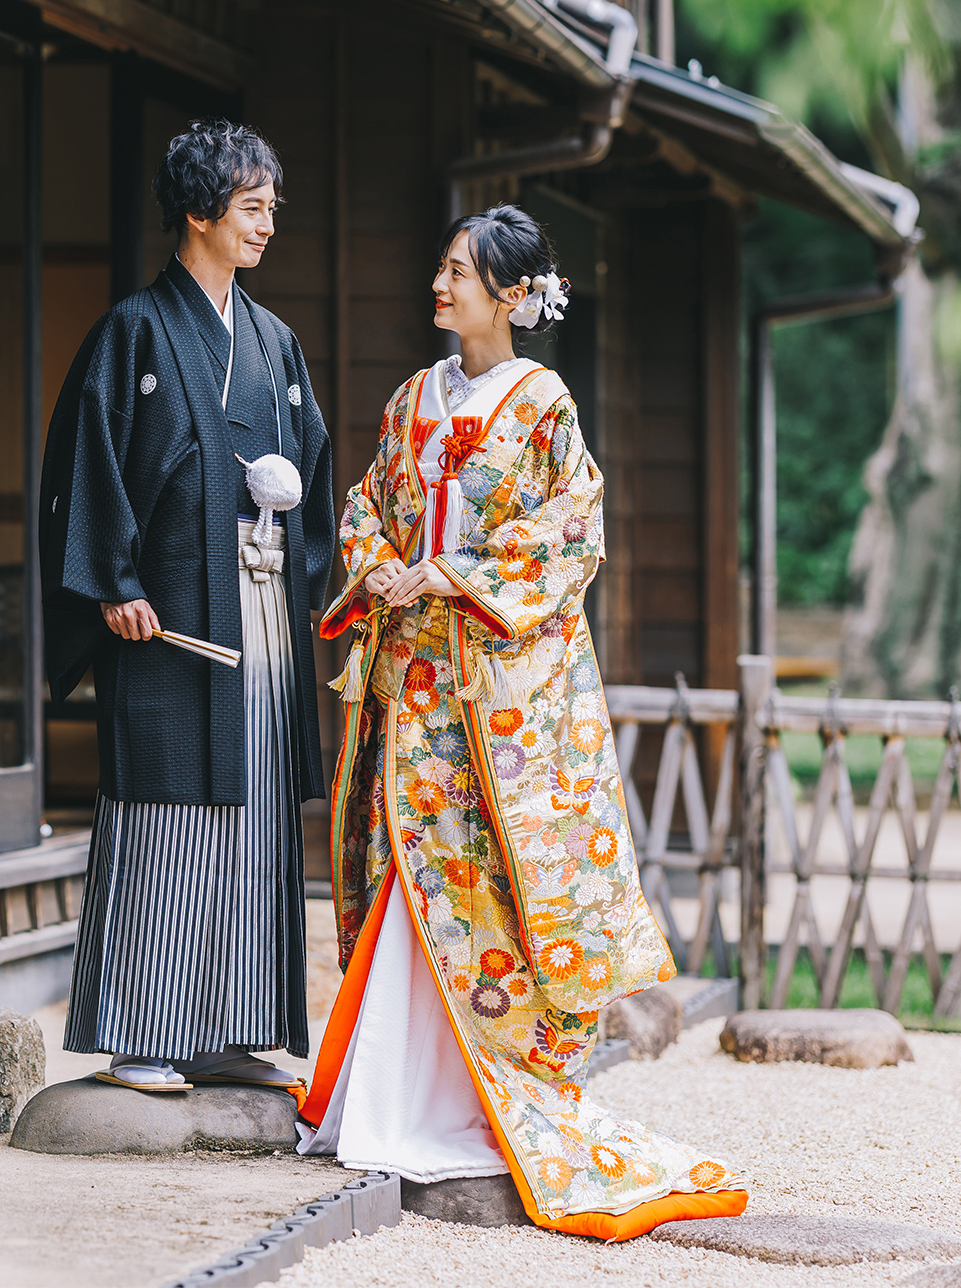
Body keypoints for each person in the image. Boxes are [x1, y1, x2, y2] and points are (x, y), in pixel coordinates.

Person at [298, 204, 747, 1238]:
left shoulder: (544, 405)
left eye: (458, 272)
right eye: (444, 267)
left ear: (509, 293)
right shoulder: (414, 397)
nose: (439, 284)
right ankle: (385, 1099)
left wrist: (450, 574)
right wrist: (382, 570)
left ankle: (467, 1101)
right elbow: (366, 507)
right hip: (413, 678)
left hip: (489, 700)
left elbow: (568, 533)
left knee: (483, 889)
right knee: (405, 868)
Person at [40, 119, 335, 1095]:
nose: (266, 226)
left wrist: (308, 567)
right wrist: (113, 585)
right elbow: (86, 468)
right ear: (200, 212)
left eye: (271, 210)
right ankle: (144, 1032)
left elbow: (315, 482)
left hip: (258, 613)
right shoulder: (134, 331)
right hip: (166, 625)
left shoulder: (274, 343)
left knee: (254, 815)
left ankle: (234, 1027)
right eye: (251, 208)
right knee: (165, 816)